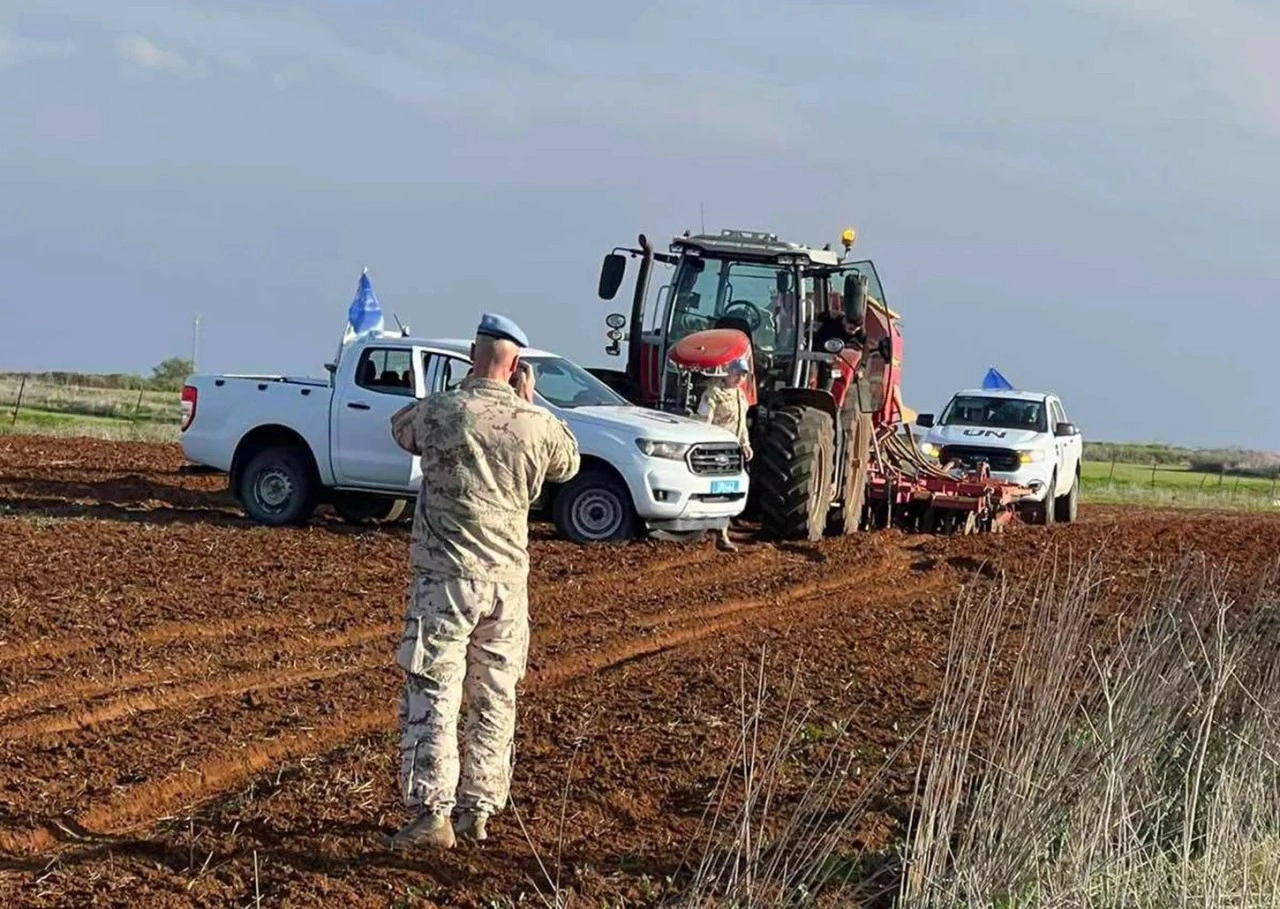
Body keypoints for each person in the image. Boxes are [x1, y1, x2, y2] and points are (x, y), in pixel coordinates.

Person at [384, 313, 580, 850]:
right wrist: (530, 405)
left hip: (444, 581)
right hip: (506, 588)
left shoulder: (444, 411)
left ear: (474, 353)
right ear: (518, 365)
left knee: (434, 689)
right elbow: (568, 464)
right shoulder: (534, 424)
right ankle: (480, 809)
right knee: (495, 696)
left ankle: (431, 814)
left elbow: (401, 429)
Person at [696, 357, 753, 552]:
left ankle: (722, 534)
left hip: (733, 451)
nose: (739, 378)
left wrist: (745, 445)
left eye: (743, 375)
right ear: (728, 373)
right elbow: (704, 422)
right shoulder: (714, 394)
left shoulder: (741, 396)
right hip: (716, 450)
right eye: (737, 374)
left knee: (728, 492)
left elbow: (742, 424)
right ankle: (700, 533)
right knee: (710, 490)